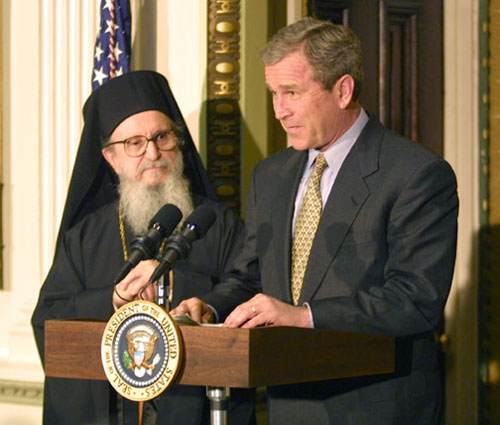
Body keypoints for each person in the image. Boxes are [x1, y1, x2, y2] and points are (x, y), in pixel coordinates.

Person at [172, 18, 459, 425]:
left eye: (291, 93)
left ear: (342, 90)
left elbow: (415, 298)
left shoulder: (415, 174)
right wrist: (213, 309)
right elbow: (249, 278)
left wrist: (304, 315)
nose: (278, 110)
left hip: (377, 406)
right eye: (273, 93)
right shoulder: (270, 175)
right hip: (290, 405)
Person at [31, 71, 257, 425]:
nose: (152, 152)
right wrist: (114, 300)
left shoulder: (217, 223)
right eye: (134, 143)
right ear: (110, 158)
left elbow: (249, 287)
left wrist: (202, 302)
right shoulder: (85, 237)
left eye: (162, 137)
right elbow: (48, 320)